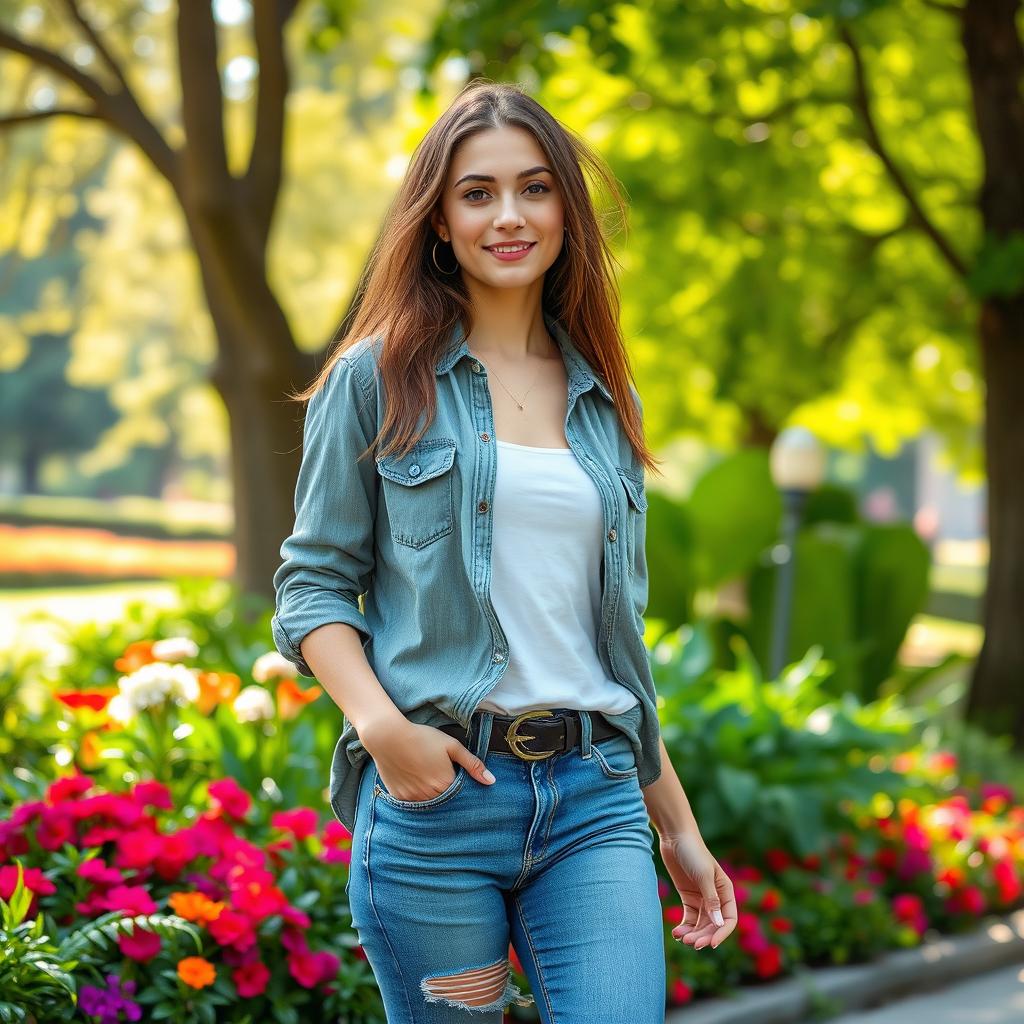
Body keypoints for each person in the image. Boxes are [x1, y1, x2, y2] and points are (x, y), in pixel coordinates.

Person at [271, 79, 736, 1023]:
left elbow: (613, 642)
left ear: (567, 205)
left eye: (534, 187)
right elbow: (312, 585)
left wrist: (676, 826)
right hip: (439, 803)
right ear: (438, 221)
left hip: (594, 800)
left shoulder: (606, 397)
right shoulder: (376, 380)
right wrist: (382, 729)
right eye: (477, 193)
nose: (509, 215)